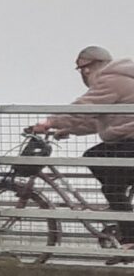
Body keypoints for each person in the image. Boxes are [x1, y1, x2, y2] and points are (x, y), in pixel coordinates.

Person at [34, 45, 134, 232]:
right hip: (128, 140)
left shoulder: (111, 80)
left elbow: (85, 107)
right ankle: (122, 212)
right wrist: (68, 128)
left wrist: (50, 121)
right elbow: (98, 120)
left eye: (81, 69)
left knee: (99, 165)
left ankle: (130, 236)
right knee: (112, 184)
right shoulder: (121, 78)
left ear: (87, 67)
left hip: (130, 141)